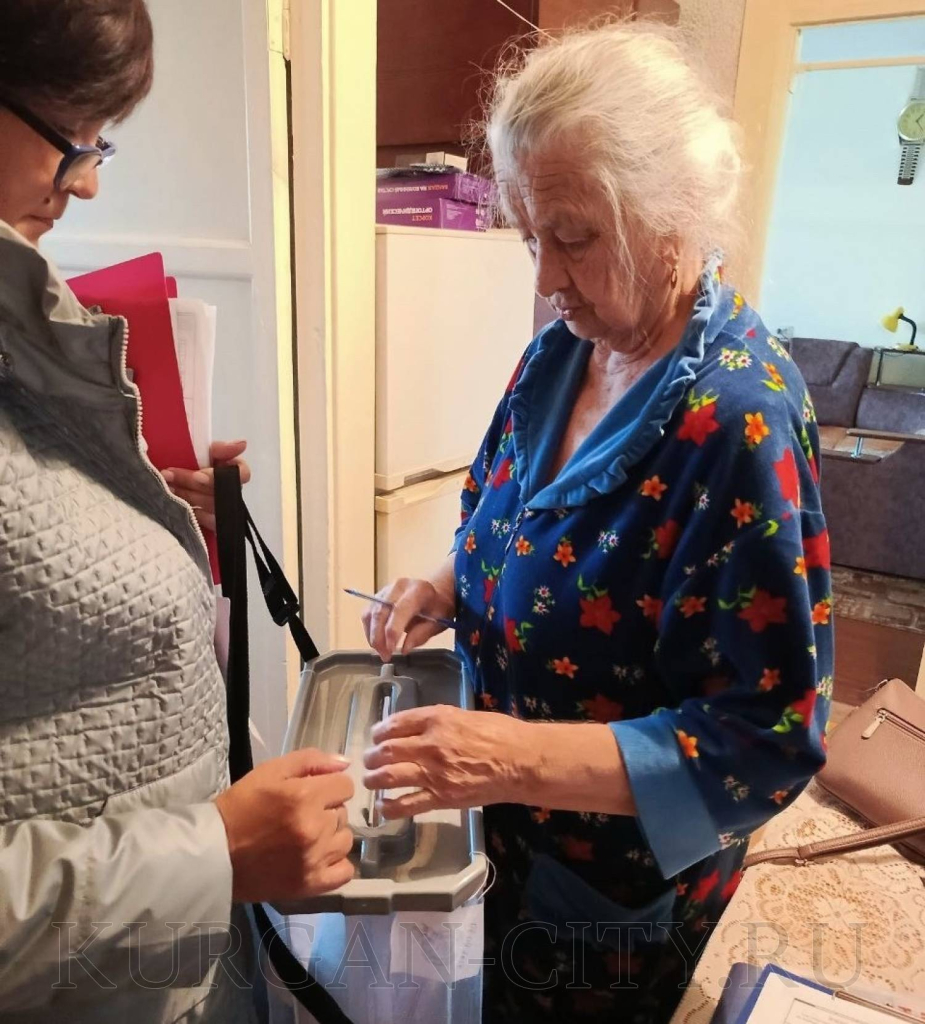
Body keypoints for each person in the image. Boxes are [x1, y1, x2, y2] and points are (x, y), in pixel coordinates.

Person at [363, 21, 833, 1024]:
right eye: (528, 236)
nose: (543, 277)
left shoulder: (736, 423)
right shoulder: (558, 353)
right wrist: (443, 585)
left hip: (609, 879)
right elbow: (504, 515)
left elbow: (765, 739)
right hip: (502, 832)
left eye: (572, 236)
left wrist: (503, 756)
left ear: (672, 215)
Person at [0, 3, 354, 1021]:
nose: (87, 182)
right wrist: (214, 853)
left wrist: (155, 519)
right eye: (72, 135)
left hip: (170, 963)